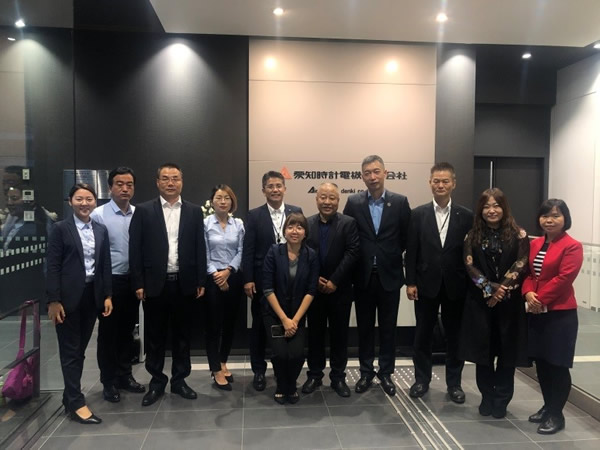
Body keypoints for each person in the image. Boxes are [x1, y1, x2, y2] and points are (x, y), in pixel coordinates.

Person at [129, 162, 206, 407]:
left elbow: (200, 247)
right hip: (155, 284)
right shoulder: (143, 211)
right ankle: (157, 382)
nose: (170, 183)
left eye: (175, 178)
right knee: (155, 337)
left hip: (184, 283)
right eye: (165, 178)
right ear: (157, 182)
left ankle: (180, 380)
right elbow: (135, 249)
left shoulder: (194, 211)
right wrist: (138, 282)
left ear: (182, 182)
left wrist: (200, 279)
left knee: (183, 336)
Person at [343, 155, 411, 396]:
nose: (372, 177)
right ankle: (365, 372)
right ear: (362, 176)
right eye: (367, 173)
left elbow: (406, 238)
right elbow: (347, 234)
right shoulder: (353, 202)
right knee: (364, 328)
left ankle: (386, 373)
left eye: (376, 171)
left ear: (385, 173)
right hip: (362, 276)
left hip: (389, 275)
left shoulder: (400, 202)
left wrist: (389, 255)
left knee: (388, 328)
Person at [405, 162, 473, 403]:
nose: (440, 185)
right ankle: (421, 380)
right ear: (430, 183)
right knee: (423, 334)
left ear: (453, 183)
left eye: (445, 181)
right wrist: (410, 282)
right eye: (436, 181)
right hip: (425, 284)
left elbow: (470, 252)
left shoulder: (466, 216)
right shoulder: (417, 214)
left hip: (457, 284)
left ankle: (454, 384)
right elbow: (411, 250)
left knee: (455, 336)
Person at [459, 187, 529, 419]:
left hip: (509, 305)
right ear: (480, 210)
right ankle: (487, 397)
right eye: (487, 206)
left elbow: (521, 264)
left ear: (504, 208)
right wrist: (489, 289)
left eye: (496, 205)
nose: (492, 210)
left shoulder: (519, 234)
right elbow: (469, 265)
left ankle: (502, 400)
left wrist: (500, 291)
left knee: (507, 355)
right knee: (484, 354)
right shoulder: (472, 235)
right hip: (481, 304)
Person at [46, 183, 113, 424]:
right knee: (70, 351)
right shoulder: (60, 229)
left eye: (89, 199)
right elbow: (52, 266)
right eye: (79, 199)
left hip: (91, 296)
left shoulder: (100, 230)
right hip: (67, 299)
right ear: (70, 202)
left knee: (80, 350)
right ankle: (76, 403)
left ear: (95, 202)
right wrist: (53, 300)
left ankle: (69, 396)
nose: (84, 203)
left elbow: (105, 265)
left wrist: (107, 295)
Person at [522, 199, 583, 435]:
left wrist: (539, 300)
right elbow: (528, 273)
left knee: (557, 365)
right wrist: (528, 293)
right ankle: (548, 407)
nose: (549, 220)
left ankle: (557, 414)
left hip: (560, 314)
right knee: (542, 363)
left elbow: (564, 278)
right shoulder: (535, 243)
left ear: (565, 219)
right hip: (537, 312)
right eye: (545, 215)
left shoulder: (572, 246)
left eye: (555, 216)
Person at [242, 171, 302, 391]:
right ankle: (259, 370)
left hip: (290, 280)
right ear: (263, 190)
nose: (275, 189)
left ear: (284, 188)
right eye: (270, 186)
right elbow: (248, 249)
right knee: (259, 326)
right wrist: (248, 279)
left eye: (278, 185)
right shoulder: (254, 215)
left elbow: (303, 245)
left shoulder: (296, 211)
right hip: (261, 280)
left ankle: (282, 369)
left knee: (285, 324)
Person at [91, 167, 145, 403]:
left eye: (129, 184)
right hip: (109, 281)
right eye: (119, 184)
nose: (125, 188)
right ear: (110, 187)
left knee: (127, 330)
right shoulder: (99, 215)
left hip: (132, 280)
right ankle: (109, 380)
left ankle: (125, 375)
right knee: (108, 333)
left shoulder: (139, 214)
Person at [302, 182, 359, 397]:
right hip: (314, 291)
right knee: (314, 335)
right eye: (323, 197)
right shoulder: (307, 223)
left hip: (340, 290)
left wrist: (334, 281)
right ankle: (314, 375)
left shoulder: (349, 223)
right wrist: (315, 278)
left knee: (339, 336)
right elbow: (302, 254)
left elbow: (352, 252)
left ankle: (338, 377)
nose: (327, 202)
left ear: (338, 200)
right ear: (316, 199)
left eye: (332, 198)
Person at [262, 212, 319, 404]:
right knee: (280, 354)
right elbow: (267, 288)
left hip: (297, 314)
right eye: (291, 226)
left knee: (296, 355)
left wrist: (294, 320)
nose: (295, 231)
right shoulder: (273, 252)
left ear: (305, 233)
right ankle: (281, 385)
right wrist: (284, 319)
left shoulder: (311, 256)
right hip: (274, 313)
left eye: (299, 227)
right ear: (284, 231)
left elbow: (311, 290)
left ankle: (291, 384)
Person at [203, 184, 245, 390]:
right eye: (219, 197)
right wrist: (216, 274)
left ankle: (222, 361)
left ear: (232, 201)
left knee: (230, 324)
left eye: (227, 198)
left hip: (233, 276)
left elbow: (241, 250)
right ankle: (215, 369)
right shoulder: (205, 224)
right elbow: (203, 252)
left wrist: (229, 270)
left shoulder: (238, 224)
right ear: (212, 201)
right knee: (213, 325)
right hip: (212, 278)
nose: (223, 201)